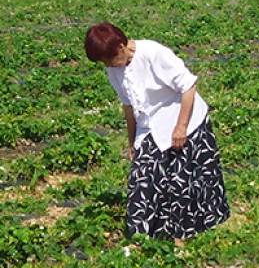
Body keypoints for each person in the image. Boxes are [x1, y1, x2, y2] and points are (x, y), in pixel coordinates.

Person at [84, 22, 230, 241]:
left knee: (184, 181)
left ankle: (186, 233)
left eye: (111, 59)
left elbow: (188, 87)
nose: (109, 65)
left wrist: (181, 127)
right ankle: (141, 239)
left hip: (184, 118)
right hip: (150, 125)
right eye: (104, 62)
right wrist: (132, 142)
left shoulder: (153, 53)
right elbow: (128, 106)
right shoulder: (114, 70)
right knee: (141, 180)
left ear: (122, 46)